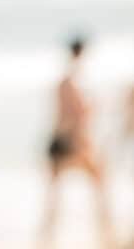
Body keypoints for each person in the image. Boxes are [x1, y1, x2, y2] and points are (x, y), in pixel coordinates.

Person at [40, 37, 114, 248]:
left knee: (52, 198)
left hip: (57, 142)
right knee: (100, 190)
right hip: (74, 143)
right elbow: (80, 117)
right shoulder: (74, 82)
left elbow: (59, 116)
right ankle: (108, 238)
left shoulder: (62, 82)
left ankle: (45, 241)